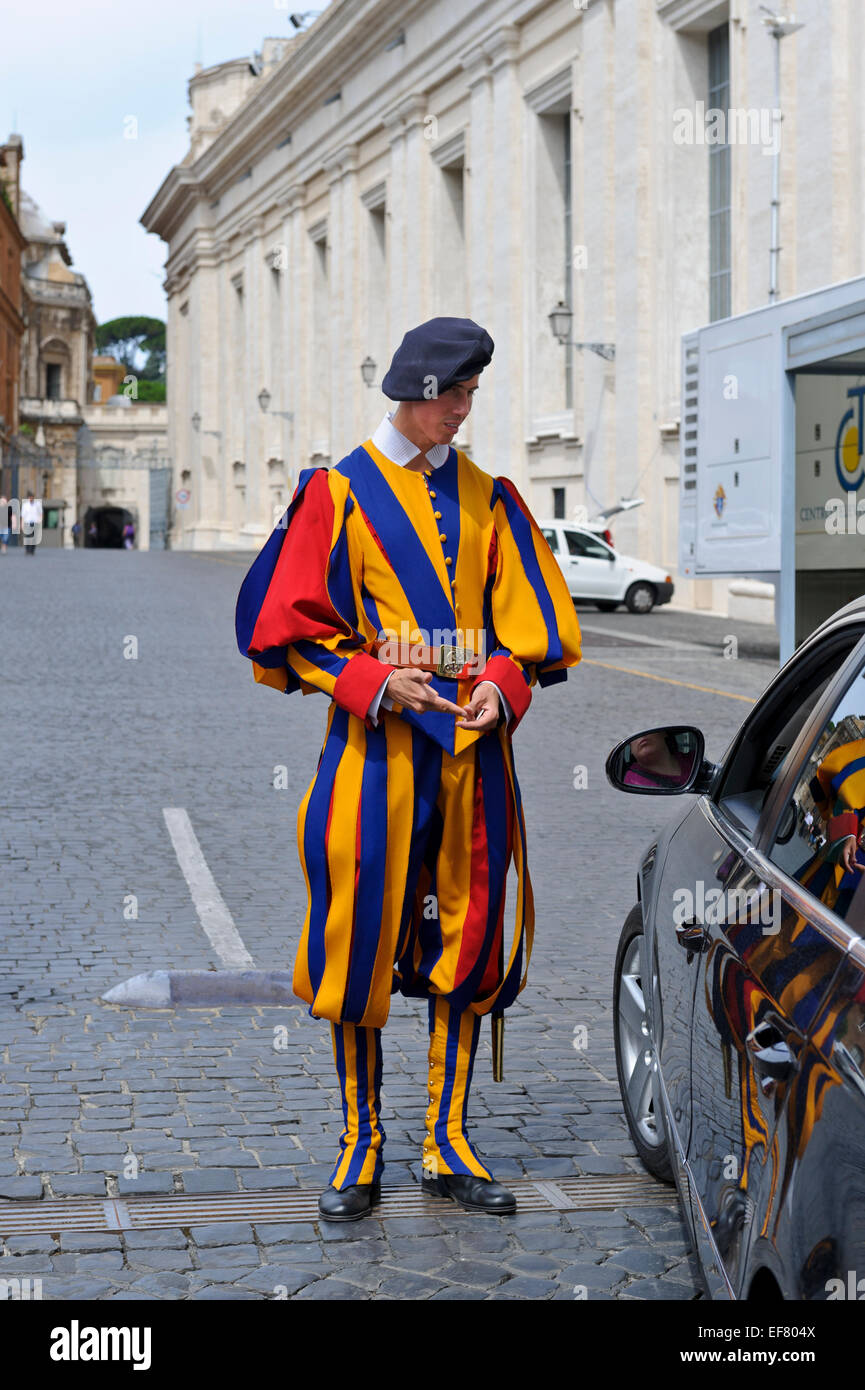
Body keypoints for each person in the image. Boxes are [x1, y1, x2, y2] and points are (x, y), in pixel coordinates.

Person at [236, 316, 582, 1220]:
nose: (466, 411)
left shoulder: (491, 496)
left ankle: (446, 1138)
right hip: (371, 762)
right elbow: (287, 635)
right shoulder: (334, 495)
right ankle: (360, 1141)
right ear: (418, 395)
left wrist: (505, 684)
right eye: (456, 396)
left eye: (471, 396)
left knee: (465, 943)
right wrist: (375, 679)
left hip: (474, 760)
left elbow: (530, 627)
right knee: (358, 948)